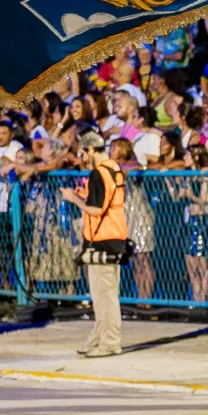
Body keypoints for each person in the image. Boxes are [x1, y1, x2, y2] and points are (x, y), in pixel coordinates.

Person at [64, 131, 131, 358]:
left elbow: (96, 209)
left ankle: (110, 342)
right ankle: (97, 338)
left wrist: (74, 199)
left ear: (91, 149)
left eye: (83, 152)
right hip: (114, 235)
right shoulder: (114, 168)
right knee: (102, 294)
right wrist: (85, 194)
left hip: (103, 238)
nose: (82, 157)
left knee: (105, 295)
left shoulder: (98, 173)